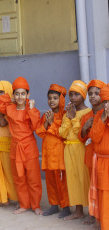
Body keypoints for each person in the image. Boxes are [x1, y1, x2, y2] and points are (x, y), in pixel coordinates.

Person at [0, 76, 43, 215]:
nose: (20, 97)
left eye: (23, 94)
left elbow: (37, 126)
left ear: (28, 95)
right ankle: (24, 204)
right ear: (14, 94)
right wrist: (9, 98)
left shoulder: (32, 110)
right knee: (19, 178)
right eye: (17, 93)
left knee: (33, 178)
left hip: (29, 147)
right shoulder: (9, 108)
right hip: (15, 146)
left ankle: (36, 205)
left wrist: (31, 109)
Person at [35, 84, 71, 218]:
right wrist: (47, 122)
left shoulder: (65, 115)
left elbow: (63, 134)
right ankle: (54, 205)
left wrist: (53, 123)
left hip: (60, 155)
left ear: (61, 99)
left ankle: (66, 207)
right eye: (49, 98)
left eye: (55, 98)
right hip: (48, 154)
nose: (52, 101)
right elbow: (40, 132)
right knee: (50, 182)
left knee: (61, 182)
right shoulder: (46, 115)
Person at [59, 80, 91, 220]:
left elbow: (81, 134)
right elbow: (62, 133)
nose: (72, 97)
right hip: (69, 149)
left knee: (85, 179)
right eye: (71, 94)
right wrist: (69, 117)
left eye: (76, 94)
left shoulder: (88, 112)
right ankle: (78, 211)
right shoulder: (67, 113)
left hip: (82, 149)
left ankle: (93, 212)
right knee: (73, 180)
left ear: (83, 96)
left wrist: (73, 119)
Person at [78, 80, 106, 225]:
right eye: (90, 94)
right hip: (91, 157)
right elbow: (81, 138)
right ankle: (94, 214)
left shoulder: (104, 114)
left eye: (97, 93)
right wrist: (84, 128)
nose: (93, 96)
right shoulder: (86, 116)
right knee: (93, 186)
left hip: (104, 158)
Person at [0, 81, 18, 207]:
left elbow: (2, 124)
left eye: (2, 92)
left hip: (6, 143)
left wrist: (1, 108)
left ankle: (16, 199)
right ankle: (2, 198)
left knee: (9, 173)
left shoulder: (10, 107)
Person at [89, 85, 109, 230]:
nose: (107, 105)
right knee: (104, 194)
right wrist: (103, 118)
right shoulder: (99, 116)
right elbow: (95, 138)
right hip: (102, 162)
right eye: (105, 102)